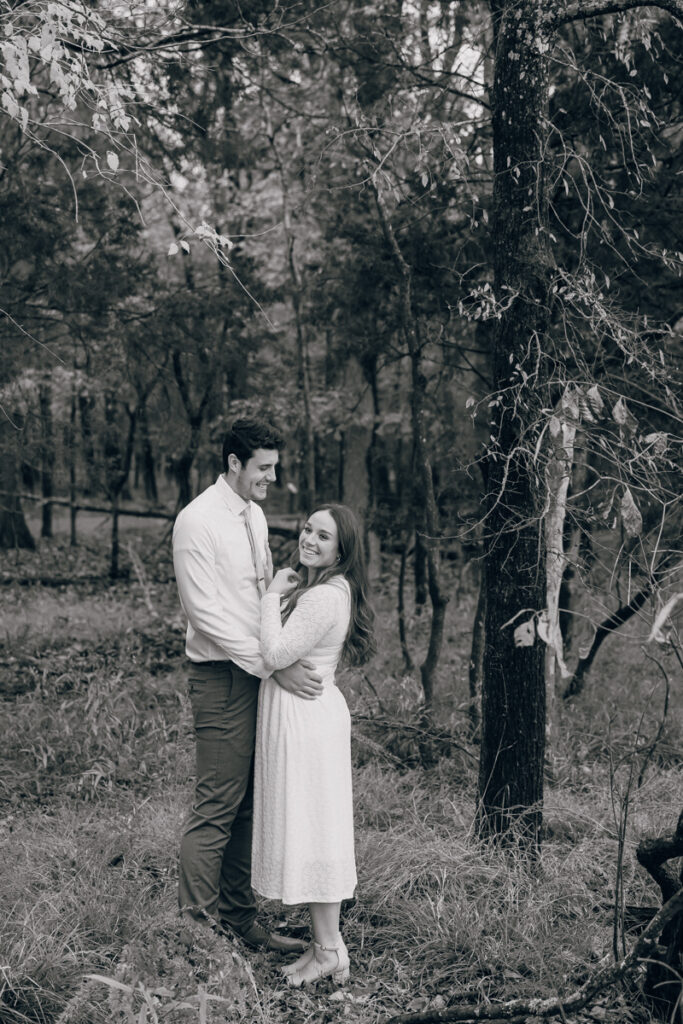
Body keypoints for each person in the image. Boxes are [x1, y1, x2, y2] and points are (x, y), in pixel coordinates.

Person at [172, 417, 322, 953]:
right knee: (215, 805)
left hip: (257, 671)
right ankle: (197, 939)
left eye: (275, 467)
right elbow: (206, 615)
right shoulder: (197, 522)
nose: (272, 478)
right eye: (263, 468)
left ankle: (240, 924)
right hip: (221, 677)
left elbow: (256, 599)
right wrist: (272, 665)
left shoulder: (254, 516)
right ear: (234, 463)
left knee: (245, 806)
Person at [252, 503, 376, 986]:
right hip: (306, 716)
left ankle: (328, 950)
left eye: (323, 537)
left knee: (316, 834)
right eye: (307, 529)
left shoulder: (323, 596)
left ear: (342, 549)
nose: (310, 540)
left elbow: (276, 653)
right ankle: (327, 947)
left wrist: (269, 597)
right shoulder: (324, 588)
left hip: (306, 720)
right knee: (313, 831)